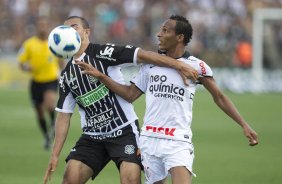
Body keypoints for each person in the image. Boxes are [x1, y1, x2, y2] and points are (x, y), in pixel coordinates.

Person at [74, 15, 259, 184]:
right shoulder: (149, 66)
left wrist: (244, 124)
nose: (158, 34)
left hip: (178, 140)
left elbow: (219, 97)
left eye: (165, 31)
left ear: (179, 37)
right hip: (149, 140)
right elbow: (130, 95)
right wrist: (101, 76)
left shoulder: (197, 66)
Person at [43, 16, 198, 184]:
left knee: (130, 179)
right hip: (92, 136)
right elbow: (64, 116)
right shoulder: (67, 75)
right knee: (70, 178)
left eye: (74, 26)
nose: (70, 31)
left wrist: (179, 65)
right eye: (65, 28)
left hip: (123, 132)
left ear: (87, 32)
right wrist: (55, 155)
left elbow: (144, 56)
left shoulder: (104, 52)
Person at [17, 16, 65, 150]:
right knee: (39, 112)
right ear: (37, 27)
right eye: (40, 25)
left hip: (50, 80)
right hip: (36, 82)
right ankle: (47, 136)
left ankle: (53, 128)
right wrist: (27, 68)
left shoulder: (54, 43)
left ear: (48, 27)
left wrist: (64, 70)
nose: (43, 28)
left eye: (45, 25)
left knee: (50, 104)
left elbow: (61, 63)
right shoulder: (29, 44)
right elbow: (21, 64)